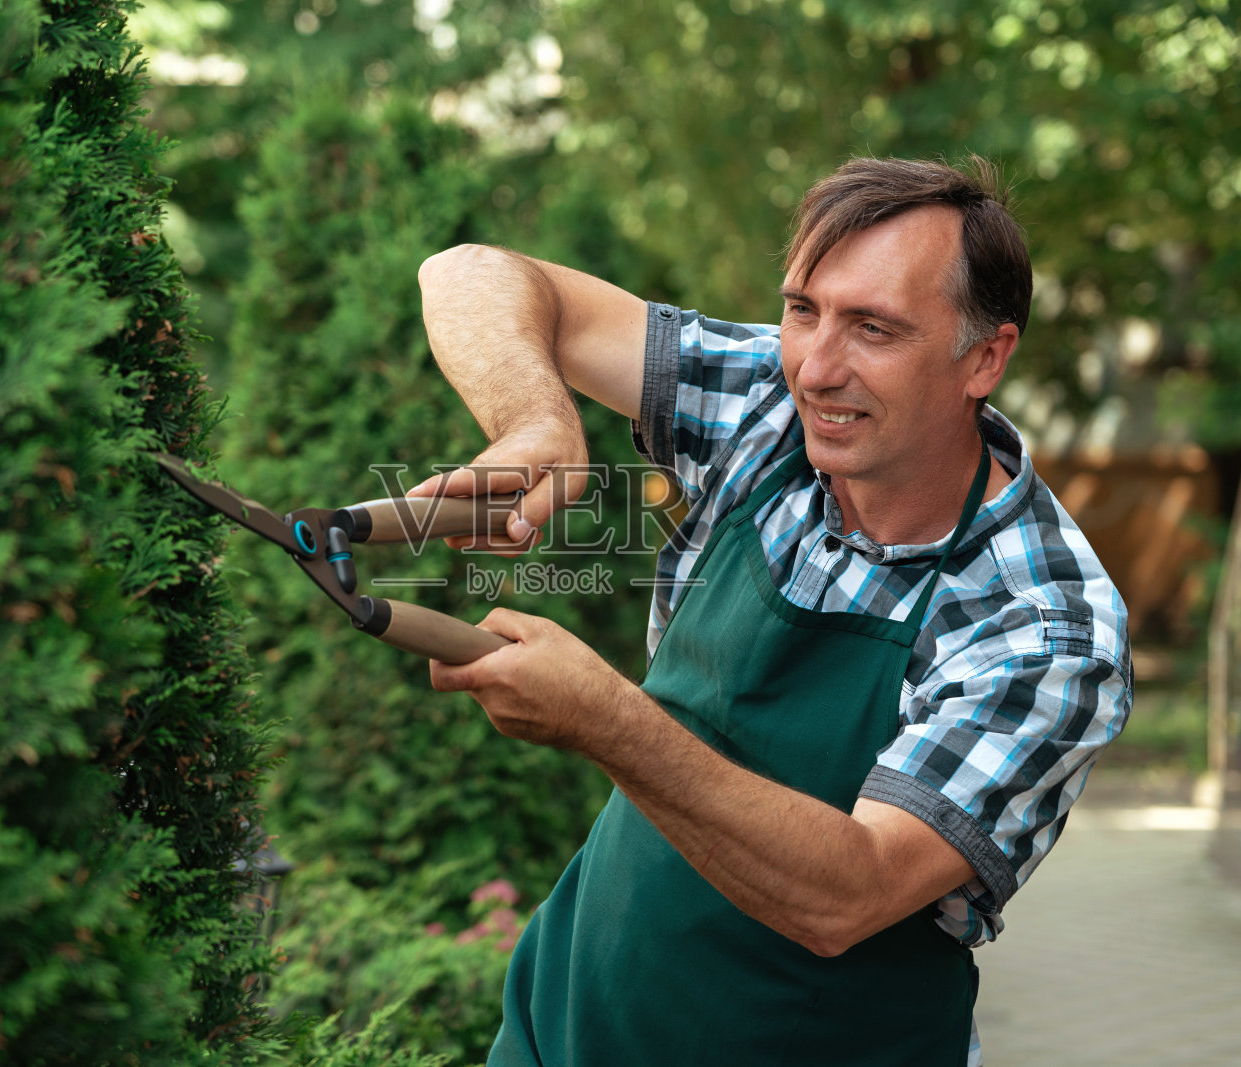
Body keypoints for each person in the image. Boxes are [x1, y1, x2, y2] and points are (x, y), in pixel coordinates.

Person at [410, 157, 1131, 1066]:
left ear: (984, 356)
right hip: (561, 1036)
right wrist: (538, 423)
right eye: (803, 309)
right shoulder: (768, 408)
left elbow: (848, 895)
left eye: (874, 327)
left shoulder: (1045, 627)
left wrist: (604, 719)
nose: (817, 368)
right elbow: (469, 271)